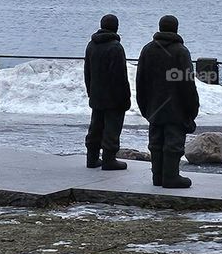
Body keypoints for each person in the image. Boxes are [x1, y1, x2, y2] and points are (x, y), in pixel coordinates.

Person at [135, 13, 200, 189]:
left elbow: (140, 81)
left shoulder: (147, 50)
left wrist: (145, 107)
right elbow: (187, 84)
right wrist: (191, 109)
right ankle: (170, 177)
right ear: (176, 28)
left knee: (155, 142)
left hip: (154, 107)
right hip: (175, 108)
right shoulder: (180, 51)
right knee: (173, 143)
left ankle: (158, 176)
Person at [83, 13, 131, 171]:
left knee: (96, 126)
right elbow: (120, 76)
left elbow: (87, 72)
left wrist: (91, 91)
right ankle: (109, 159)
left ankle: (92, 158)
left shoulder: (91, 45)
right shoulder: (115, 47)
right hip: (113, 96)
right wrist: (125, 97)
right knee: (112, 127)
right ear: (116, 27)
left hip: (96, 94)